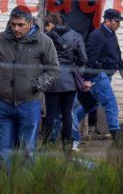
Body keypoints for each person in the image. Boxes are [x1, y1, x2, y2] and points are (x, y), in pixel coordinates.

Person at [0, 5, 59, 168]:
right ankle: (7, 184)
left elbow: (53, 69)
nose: (16, 28)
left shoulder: (44, 42)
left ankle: (23, 185)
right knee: (4, 151)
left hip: (29, 104)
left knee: (27, 151)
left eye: (20, 25)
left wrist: (37, 85)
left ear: (30, 23)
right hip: (3, 104)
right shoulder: (0, 40)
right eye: (13, 24)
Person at [75, 8, 123, 144]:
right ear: (107, 20)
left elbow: (117, 51)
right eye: (117, 22)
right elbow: (89, 58)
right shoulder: (97, 35)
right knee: (111, 103)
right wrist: (86, 78)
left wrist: (121, 67)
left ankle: (68, 125)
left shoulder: (111, 33)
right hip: (98, 75)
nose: (119, 24)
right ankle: (117, 138)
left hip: (107, 75)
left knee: (90, 105)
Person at [42, 12, 86, 148]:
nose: (45, 28)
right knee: (67, 114)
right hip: (70, 81)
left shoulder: (45, 38)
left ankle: (46, 144)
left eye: (46, 26)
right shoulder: (75, 35)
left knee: (50, 114)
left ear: (50, 24)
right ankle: (67, 145)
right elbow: (83, 58)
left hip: (51, 80)